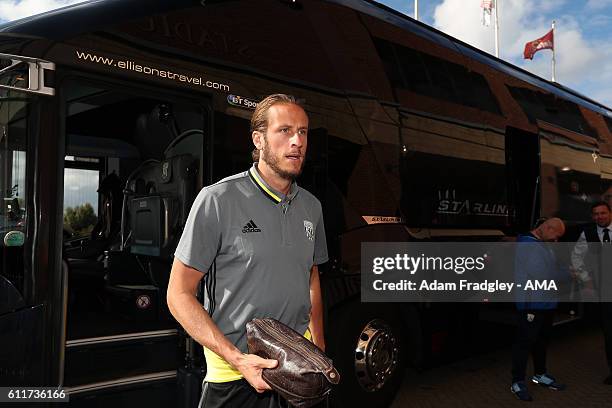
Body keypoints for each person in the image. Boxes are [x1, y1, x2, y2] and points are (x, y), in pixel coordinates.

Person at [166, 94, 328, 408]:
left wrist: (319, 346)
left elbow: (311, 277)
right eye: (284, 131)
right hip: (235, 378)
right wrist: (237, 359)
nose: (297, 141)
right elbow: (178, 295)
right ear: (258, 139)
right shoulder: (217, 200)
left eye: (303, 132)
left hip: (299, 372)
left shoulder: (312, 206)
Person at [511, 218, 567, 401]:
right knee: (524, 343)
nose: (556, 241)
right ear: (546, 228)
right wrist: (569, 274)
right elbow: (543, 274)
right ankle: (517, 382)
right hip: (532, 304)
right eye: (555, 237)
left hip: (546, 303)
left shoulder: (540, 243)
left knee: (541, 341)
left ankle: (539, 375)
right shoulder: (528, 245)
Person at [571, 201, 612, 385]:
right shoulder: (587, 233)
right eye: (596, 214)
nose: (599, 217)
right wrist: (586, 279)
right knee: (609, 333)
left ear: (610, 213)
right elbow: (576, 257)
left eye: (603, 213)